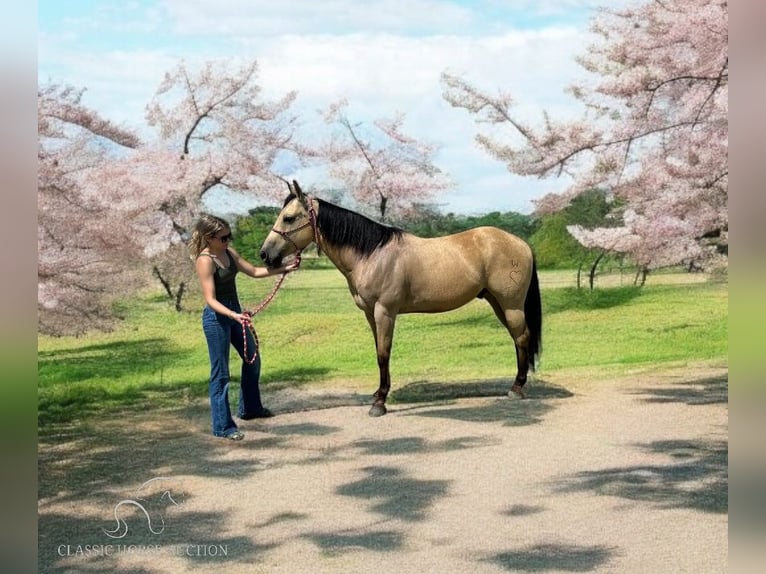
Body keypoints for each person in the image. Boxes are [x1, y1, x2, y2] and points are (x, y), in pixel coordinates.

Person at [188, 213, 299, 441]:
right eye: (223, 237)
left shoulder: (229, 253)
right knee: (221, 374)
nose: (228, 241)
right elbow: (210, 299)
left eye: (230, 236)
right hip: (217, 317)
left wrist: (285, 268)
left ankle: (250, 408)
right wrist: (234, 315)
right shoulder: (205, 260)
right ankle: (223, 426)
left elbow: (255, 272)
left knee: (252, 359)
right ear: (209, 238)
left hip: (235, 313)